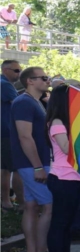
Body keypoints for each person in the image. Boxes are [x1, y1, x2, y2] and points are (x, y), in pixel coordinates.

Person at [43, 84, 80, 252]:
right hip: (62, 178)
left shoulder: (64, 122)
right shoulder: (57, 123)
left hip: (71, 177)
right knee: (60, 223)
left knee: (67, 222)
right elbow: (66, 148)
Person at [12, 66, 53, 252]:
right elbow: (24, 136)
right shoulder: (23, 102)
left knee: (31, 206)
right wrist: (38, 167)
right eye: (44, 77)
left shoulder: (35, 102)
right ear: (30, 81)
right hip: (32, 163)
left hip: (33, 163)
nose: (48, 80)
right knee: (49, 205)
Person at [2, 59, 23, 211]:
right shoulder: (5, 85)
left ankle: (6, 201)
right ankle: (22, 203)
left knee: (4, 169)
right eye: (16, 70)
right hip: (8, 132)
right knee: (17, 168)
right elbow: (19, 105)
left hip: (3, 132)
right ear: (5, 70)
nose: (19, 73)